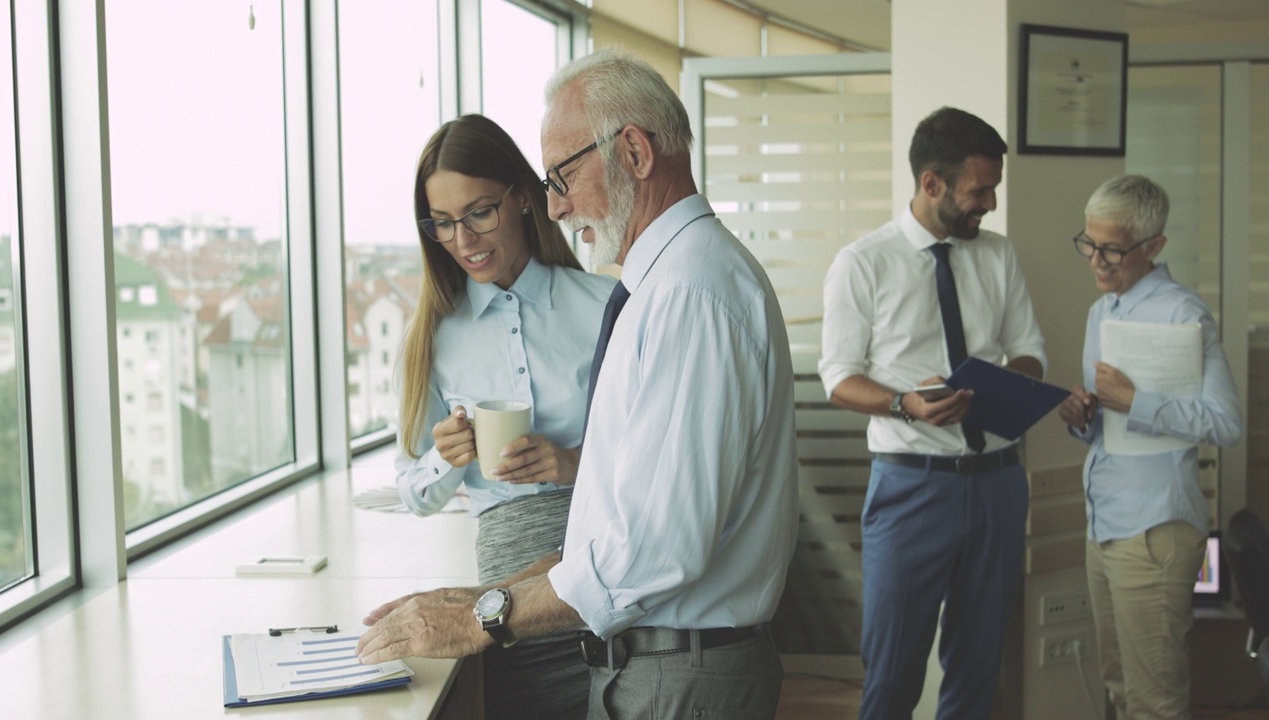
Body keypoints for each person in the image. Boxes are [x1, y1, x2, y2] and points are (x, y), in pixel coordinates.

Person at [358, 49, 799, 720]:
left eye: (562, 176)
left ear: (634, 154)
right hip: (644, 656)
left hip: (676, 668)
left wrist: (483, 617)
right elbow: (627, 521)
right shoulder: (664, 288)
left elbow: (656, 549)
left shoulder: (689, 296)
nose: (556, 206)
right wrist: (480, 593)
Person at [819, 106, 1046, 719]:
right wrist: (904, 404)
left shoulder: (997, 255)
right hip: (911, 488)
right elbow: (837, 377)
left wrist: (997, 387)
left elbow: (1030, 355)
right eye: (981, 190)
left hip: (999, 484)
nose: (990, 204)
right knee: (892, 673)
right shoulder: (863, 263)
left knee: (979, 668)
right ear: (931, 183)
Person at [391, 113, 616, 718]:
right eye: (443, 223)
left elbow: (649, 455)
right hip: (507, 593)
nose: (463, 239)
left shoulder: (605, 307)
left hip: (603, 561)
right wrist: (446, 454)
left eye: (478, 212)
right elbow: (412, 492)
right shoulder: (431, 338)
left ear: (522, 198)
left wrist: (571, 463)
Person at [1058, 175, 1243, 719]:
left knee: (1155, 701)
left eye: (1112, 249)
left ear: (1154, 246)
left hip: (1155, 529)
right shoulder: (1102, 311)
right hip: (1104, 522)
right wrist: (1081, 416)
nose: (1096, 260)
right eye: (1089, 244)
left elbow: (1227, 423)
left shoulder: (1183, 314)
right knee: (1118, 685)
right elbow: (1104, 423)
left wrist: (1136, 401)